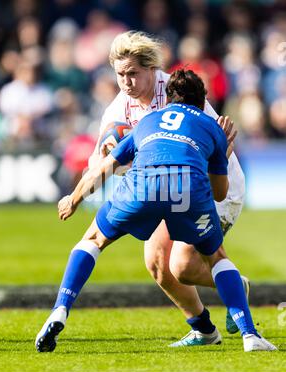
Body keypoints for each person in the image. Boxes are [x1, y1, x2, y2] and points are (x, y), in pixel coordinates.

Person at [35, 69, 276, 352]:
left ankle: (60, 308)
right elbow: (219, 193)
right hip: (188, 191)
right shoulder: (213, 126)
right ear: (203, 100)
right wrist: (219, 156)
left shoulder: (147, 121)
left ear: (169, 99)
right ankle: (250, 336)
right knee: (216, 257)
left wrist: (73, 198)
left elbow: (103, 168)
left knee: (93, 241)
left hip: (142, 186)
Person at [91, 31, 248, 344]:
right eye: (120, 74)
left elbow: (221, 143)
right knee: (157, 264)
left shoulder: (181, 92)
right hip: (171, 190)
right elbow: (102, 160)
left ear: (152, 70)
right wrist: (105, 164)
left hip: (214, 187)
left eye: (133, 73)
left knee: (183, 267)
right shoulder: (118, 111)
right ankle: (204, 329)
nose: (125, 82)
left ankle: (235, 285)